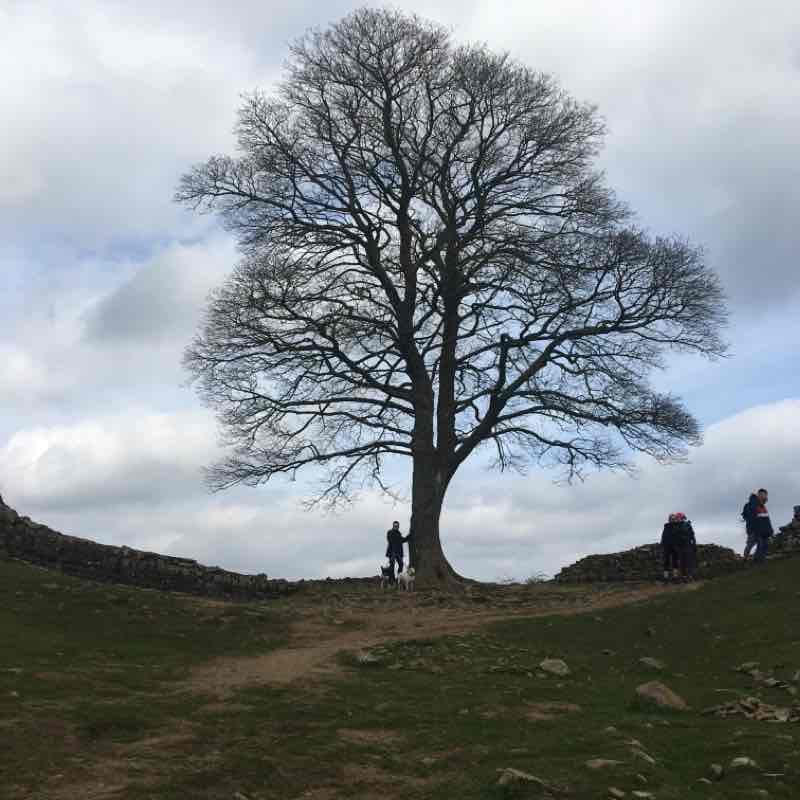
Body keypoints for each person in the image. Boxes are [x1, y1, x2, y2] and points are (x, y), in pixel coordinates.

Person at [746, 488, 773, 564]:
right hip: (756, 530)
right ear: (759, 495)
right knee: (753, 545)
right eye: (764, 495)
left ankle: (760, 561)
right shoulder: (753, 504)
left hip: (764, 530)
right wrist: (754, 531)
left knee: (764, 546)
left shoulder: (763, 507)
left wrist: (770, 530)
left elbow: (767, 520)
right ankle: (747, 561)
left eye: (766, 496)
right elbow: (752, 519)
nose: (766, 497)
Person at [673, 512, 697, 580]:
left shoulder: (687, 525)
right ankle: (684, 576)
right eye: (677, 518)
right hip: (680, 546)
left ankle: (690, 575)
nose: (678, 519)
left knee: (689, 561)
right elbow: (674, 537)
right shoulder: (675, 526)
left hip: (687, 545)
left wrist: (694, 544)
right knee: (682, 561)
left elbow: (692, 535)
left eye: (679, 518)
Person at [661, 513, 681, 580]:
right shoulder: (666, 526)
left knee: (675, 562)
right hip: (667, 546)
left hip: (675, 546)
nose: (672, 520)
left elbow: (679, 536)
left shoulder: (677, 526)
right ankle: (666, 577)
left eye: (673, 518)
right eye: (671, 518)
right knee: (666, 562)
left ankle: (675, 577)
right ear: (669, 519)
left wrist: (678, 544)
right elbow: (663, 536)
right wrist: (663, 544)